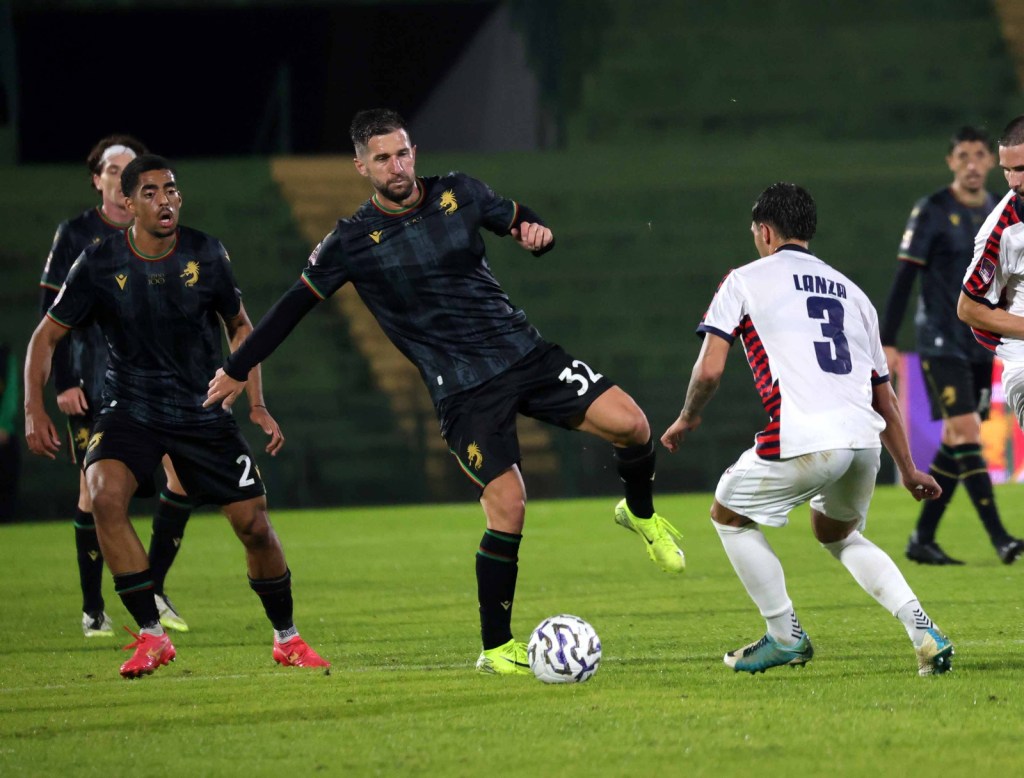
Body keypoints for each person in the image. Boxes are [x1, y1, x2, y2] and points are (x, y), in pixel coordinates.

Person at [205, 108, 684, 675]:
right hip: (462, 392)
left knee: (632, 424)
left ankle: (639, 511)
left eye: (403, 152)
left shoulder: (459, 191)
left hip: (525, 354)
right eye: (382, 158)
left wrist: (536, 232)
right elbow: (290, 309)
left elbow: (517, 217)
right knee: (508, 505)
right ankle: (497, 645)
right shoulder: (350, 241)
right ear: (361, 166)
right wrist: (238, 368)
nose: (397, 166)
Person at [24, 154, 328, 678]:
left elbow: (240, 326)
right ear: (126, 201)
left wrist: (252, 398)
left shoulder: (206, 254)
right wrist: (34, 405)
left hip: (200, 409)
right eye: (151, 192)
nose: (165, 200)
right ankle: (151, 634)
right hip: (129, 407)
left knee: (254, 525)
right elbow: (46, 336)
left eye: (171, 190)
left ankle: (287, 638)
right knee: (102, 494)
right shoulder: (97, 263)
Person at [661, 182, 954, 676]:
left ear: (767, 232)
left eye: (756, 230)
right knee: (838, 534)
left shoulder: (744, 280)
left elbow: (709, 370)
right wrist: (908, 467)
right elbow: (884, 391)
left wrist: (689, 415)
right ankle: (922, 629)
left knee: (727, 515)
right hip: (863, 439)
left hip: (806, 436)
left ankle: (784, 636)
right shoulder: (854, 293)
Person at [39, 135, 194, 636]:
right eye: (112, 170)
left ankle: (154, 589)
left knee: (183, 476)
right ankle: (93, 608)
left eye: (131, 170)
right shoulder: (76, 235)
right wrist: (63, 381)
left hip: (156, 380)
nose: (121, 178)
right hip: (89, 379)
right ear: (98, 179)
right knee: (96, 492)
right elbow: (52, 319)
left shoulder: (162, 234)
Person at [881, 126, 1023, 566]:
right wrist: (887, 339)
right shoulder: (938, 211)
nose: (973, 165)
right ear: (951, 162)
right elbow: (905, 277)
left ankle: (922, 537)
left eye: (979, 156)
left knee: (957, 440)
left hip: (981, 345)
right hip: (940, 338)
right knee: (965, 432)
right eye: (964, 156)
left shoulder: (987, 210)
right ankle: (1001, 537)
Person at [960, 116, 1024, 478]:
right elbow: (969, 308)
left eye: (1022, 169)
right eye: (1006, 170)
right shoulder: (1002, 230)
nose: (1014, 181)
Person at [0, 342, 20, 522]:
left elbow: (11, 393)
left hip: (4, 436)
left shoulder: (4, 355)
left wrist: (3, 424)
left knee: (6, 486)